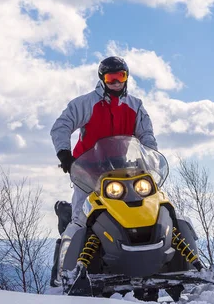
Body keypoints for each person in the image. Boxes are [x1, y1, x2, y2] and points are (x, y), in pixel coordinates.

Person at [49, 56, 158, 282]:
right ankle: (65, 272)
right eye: (111, 77)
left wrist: (151, 156)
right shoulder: (86, 103)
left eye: (121, 77)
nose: (116, 82)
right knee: (82, 217)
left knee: (148, 209)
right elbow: (62, 125)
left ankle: (176, 262)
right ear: (102, 80)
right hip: (88, 171)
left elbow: (146, 134)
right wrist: (65, 155)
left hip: (123, 170)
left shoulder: (135, 105)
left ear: (126, 78)